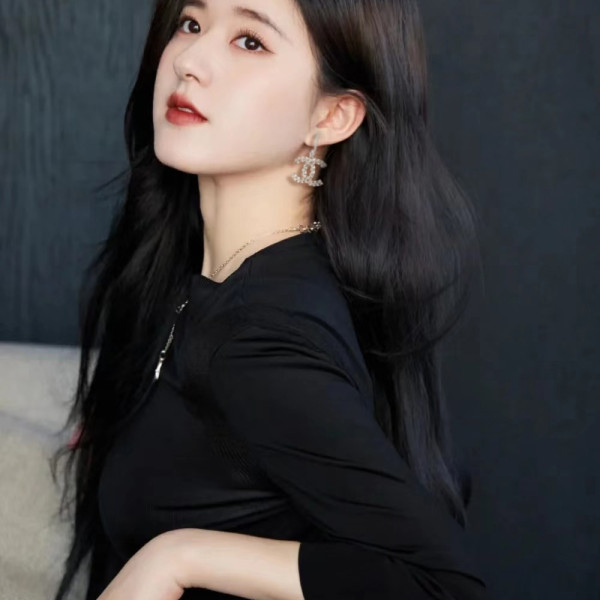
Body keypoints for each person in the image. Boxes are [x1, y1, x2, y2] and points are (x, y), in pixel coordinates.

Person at [50, 0, 489, 598]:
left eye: (250, 41)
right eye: (192, 23)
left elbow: (443, 586)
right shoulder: (208, 276)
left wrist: (180, 556)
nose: (190, 60)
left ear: (332, 116)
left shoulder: (262, 335)